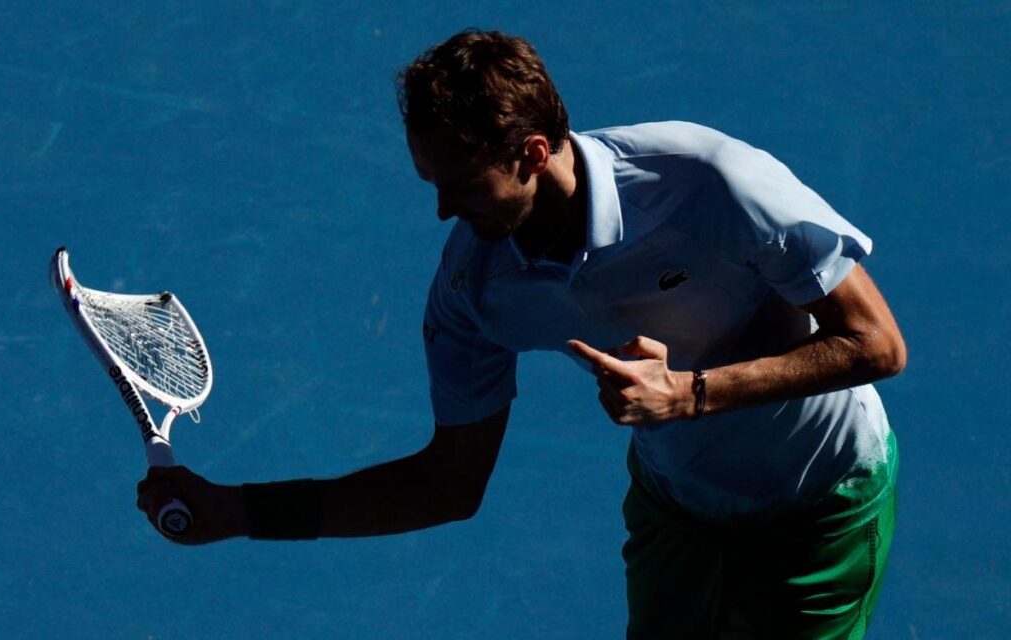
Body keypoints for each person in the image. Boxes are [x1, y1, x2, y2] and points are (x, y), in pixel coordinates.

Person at [139, 29, 906, 639]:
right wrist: (239, 512)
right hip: (679, 510)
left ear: (532, 153)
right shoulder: (474, 289)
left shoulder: (709, 180)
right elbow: (449, 481)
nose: (444, 211)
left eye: (464, 186)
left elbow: (877, 344)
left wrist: (691, 395)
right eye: (433, 186)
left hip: (821, 503)